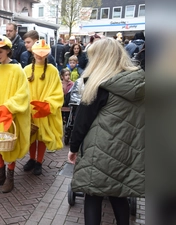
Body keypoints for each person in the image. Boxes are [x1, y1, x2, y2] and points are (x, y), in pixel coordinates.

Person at [68, 38, 145, 225]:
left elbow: (82, 121)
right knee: (118, 195)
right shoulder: (138, 83)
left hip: (100, 149)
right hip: (127, 150)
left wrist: (73, 147)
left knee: (93, 195)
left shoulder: (99, 84)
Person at [0, 35, 31, 193]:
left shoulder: (17, 69)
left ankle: (10, 178)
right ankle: (0, 175)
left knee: (8, 145)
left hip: (9, 114)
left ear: (8, 51)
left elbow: (23, 93)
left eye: (0, 51)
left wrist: (9, 106)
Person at [22, 40, 64, 175]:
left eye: (43, 53)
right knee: (31, 135)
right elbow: (21, 89)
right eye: (38, 53)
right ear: (33, 52)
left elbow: (57, 91)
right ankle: (32, 159)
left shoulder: (52, 71)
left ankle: (39, 161)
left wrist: (47, 104)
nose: (40, 56)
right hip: (30, 109)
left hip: (44, 110)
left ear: (47, 54)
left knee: (42, 136)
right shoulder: (26, 70)